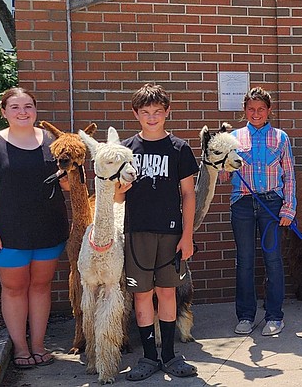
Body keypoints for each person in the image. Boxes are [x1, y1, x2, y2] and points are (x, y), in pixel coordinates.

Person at [0, 88, 69, 369]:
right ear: (3, 112)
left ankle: (38, 345)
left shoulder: (52, 141)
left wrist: (70, 181)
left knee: (41, 286)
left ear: (36, 110)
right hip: (7, 235)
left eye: (28, 106)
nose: (22, 111)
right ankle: (20, 349)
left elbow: (69, 182)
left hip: (48, 230)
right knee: (14, 289)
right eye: (14, 107)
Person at [121, 83, 199, 381]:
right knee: (142, 294)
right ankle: (149, 357)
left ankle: (169, 355)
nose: (151, 117)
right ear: (135, 114)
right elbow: (117, 197)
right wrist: (119, 190)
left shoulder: (179, 148)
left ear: (167, 112)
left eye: (157, 112)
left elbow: (189, 195)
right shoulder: (127, 149)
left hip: (170, 233)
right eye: (145, 112)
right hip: (136, 232)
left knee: (167, 292)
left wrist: (187, 235)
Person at [224, 87, 296, 337]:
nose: (256, 114)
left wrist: (289, 208)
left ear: (269, 111)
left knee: (272, 260)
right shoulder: (233, 137)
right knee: (244, 261)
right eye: (251, 109)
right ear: (244, 110)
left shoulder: (280, 138)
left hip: (271, 205)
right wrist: (218, 157)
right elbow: (224, 175)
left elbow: (289, 176)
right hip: (242, 204)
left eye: (261, 109)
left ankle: (275, 316)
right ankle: (245, 316)